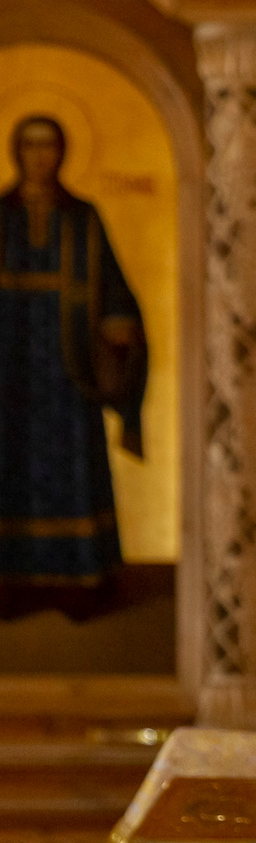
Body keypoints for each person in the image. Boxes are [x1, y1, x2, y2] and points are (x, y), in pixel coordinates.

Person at [1, 113, 146, 618]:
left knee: (71, 463)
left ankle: (81, 577)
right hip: (9, 362)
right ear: (16, 153)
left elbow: (112, 284)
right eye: (31, 147)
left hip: (69, 365)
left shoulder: (83, 216)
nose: (41, 156)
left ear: (62, 153)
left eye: (49, 147)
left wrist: (118, 319)